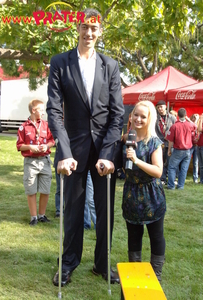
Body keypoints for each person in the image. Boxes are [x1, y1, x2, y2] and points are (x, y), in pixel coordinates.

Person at [46, 8, 124, 286]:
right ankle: (67, 264)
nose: (89, 33)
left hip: (104, 150)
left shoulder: (111, 66)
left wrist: (108, 155)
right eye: (84, 27)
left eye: (94, 28)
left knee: (105, 212)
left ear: (100, 31)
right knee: (73, 210)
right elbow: (54, 111)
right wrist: (64, 153)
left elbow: (117, 114)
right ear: (76, 29)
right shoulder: (60, 63)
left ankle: (102, 264)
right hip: (73, 150)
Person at [122, 100, 166, 283]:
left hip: (151, 196)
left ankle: (156, 275)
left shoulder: (154, 142)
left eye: (143, 116)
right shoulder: (126, 138)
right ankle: (137, 272)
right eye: (135, 115)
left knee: (155, 235)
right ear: (130, 116)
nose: (138, 119)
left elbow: (158, 171)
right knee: (133, 236)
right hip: (131, 194)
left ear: (149, 119)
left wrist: (137, 160)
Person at [16, 99, 55, 226]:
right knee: (31, 190)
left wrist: (46, 146)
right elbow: (19, 145)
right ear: (34, 110)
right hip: (31, 162)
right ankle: (34, 217)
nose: (43, 113)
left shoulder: (46, 125)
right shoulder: (23, 127)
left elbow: (52, 141)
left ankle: (42, 215)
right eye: (41, 110)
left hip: (44, 161)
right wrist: (30, 147)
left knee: (46, 190)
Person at [166, 108, 197, 190]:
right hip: (188, 150)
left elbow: (170, 140)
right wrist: (188, 119)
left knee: (172, 167)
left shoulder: (174, 126)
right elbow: (195, 126)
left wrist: (169, 150)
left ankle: (171, 185)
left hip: (178, 150)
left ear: (177, 115)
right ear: (186, 115)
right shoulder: (190, 125)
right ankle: (180, 186)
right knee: (184, 169)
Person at [155, 100, 176, 185]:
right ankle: (162, 178)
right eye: (158, 107)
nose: (160, 109)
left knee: (171, 162)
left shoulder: (172, 118)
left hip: (170, 143)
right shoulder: (156, 118)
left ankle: (172, 179)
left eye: (161, 107)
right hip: (160, 143)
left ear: (165, 107)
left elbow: (175, 129)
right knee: (161, 161)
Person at [190, 114, 199, 183]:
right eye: (193, 117)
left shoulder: (199, 126)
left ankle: (195, 178)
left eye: (195, 117)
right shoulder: (189, 125)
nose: (194, 118)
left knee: (195, 162)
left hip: (197, 146)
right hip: (190, 145)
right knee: (186, 162)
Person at [197, 114, 203, 183]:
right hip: (199, 146)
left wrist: (201, 120)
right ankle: (201, 180)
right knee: (201, 165)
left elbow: (200, 129)